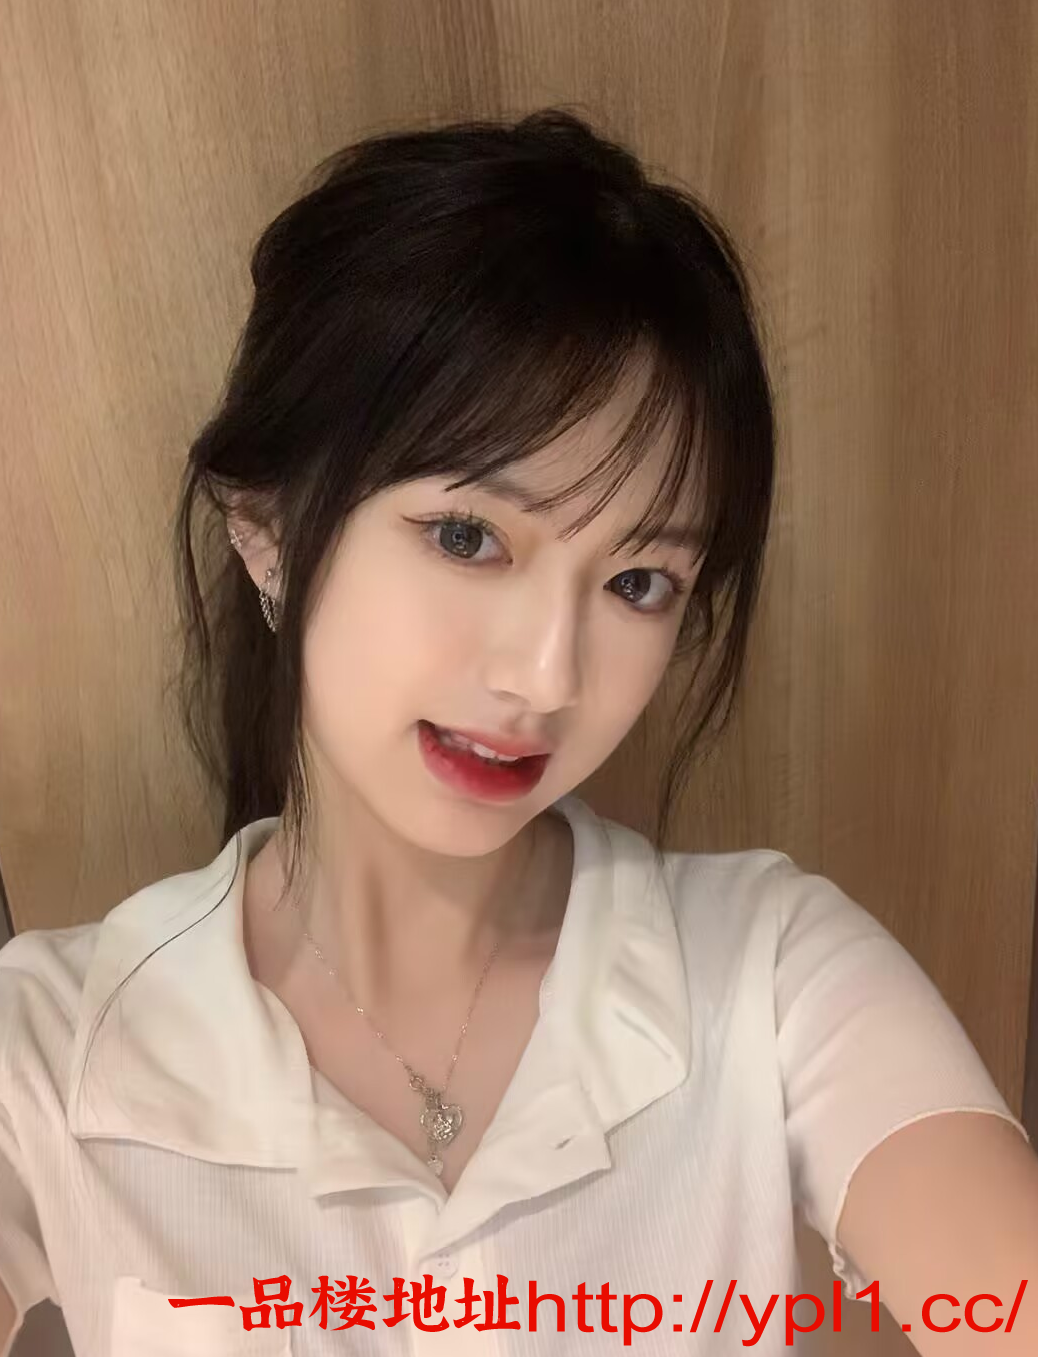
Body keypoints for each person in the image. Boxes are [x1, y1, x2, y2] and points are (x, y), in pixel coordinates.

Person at [1, 107, 1036, 1357]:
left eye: (638, 582)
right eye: (467, 536)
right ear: (266, 529)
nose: (547, 676)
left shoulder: (773, 979)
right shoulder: (45, 1055)